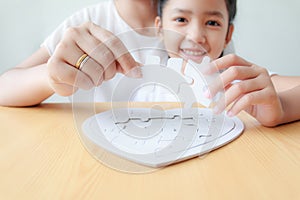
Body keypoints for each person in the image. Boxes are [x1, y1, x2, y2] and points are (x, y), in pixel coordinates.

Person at [155, 0, 300, 127]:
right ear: (160, 28)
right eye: (181, 19)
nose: (196, 36)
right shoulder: (140, 82)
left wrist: (283, 109)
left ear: (228, 35)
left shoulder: (241, 82)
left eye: (212, 23)